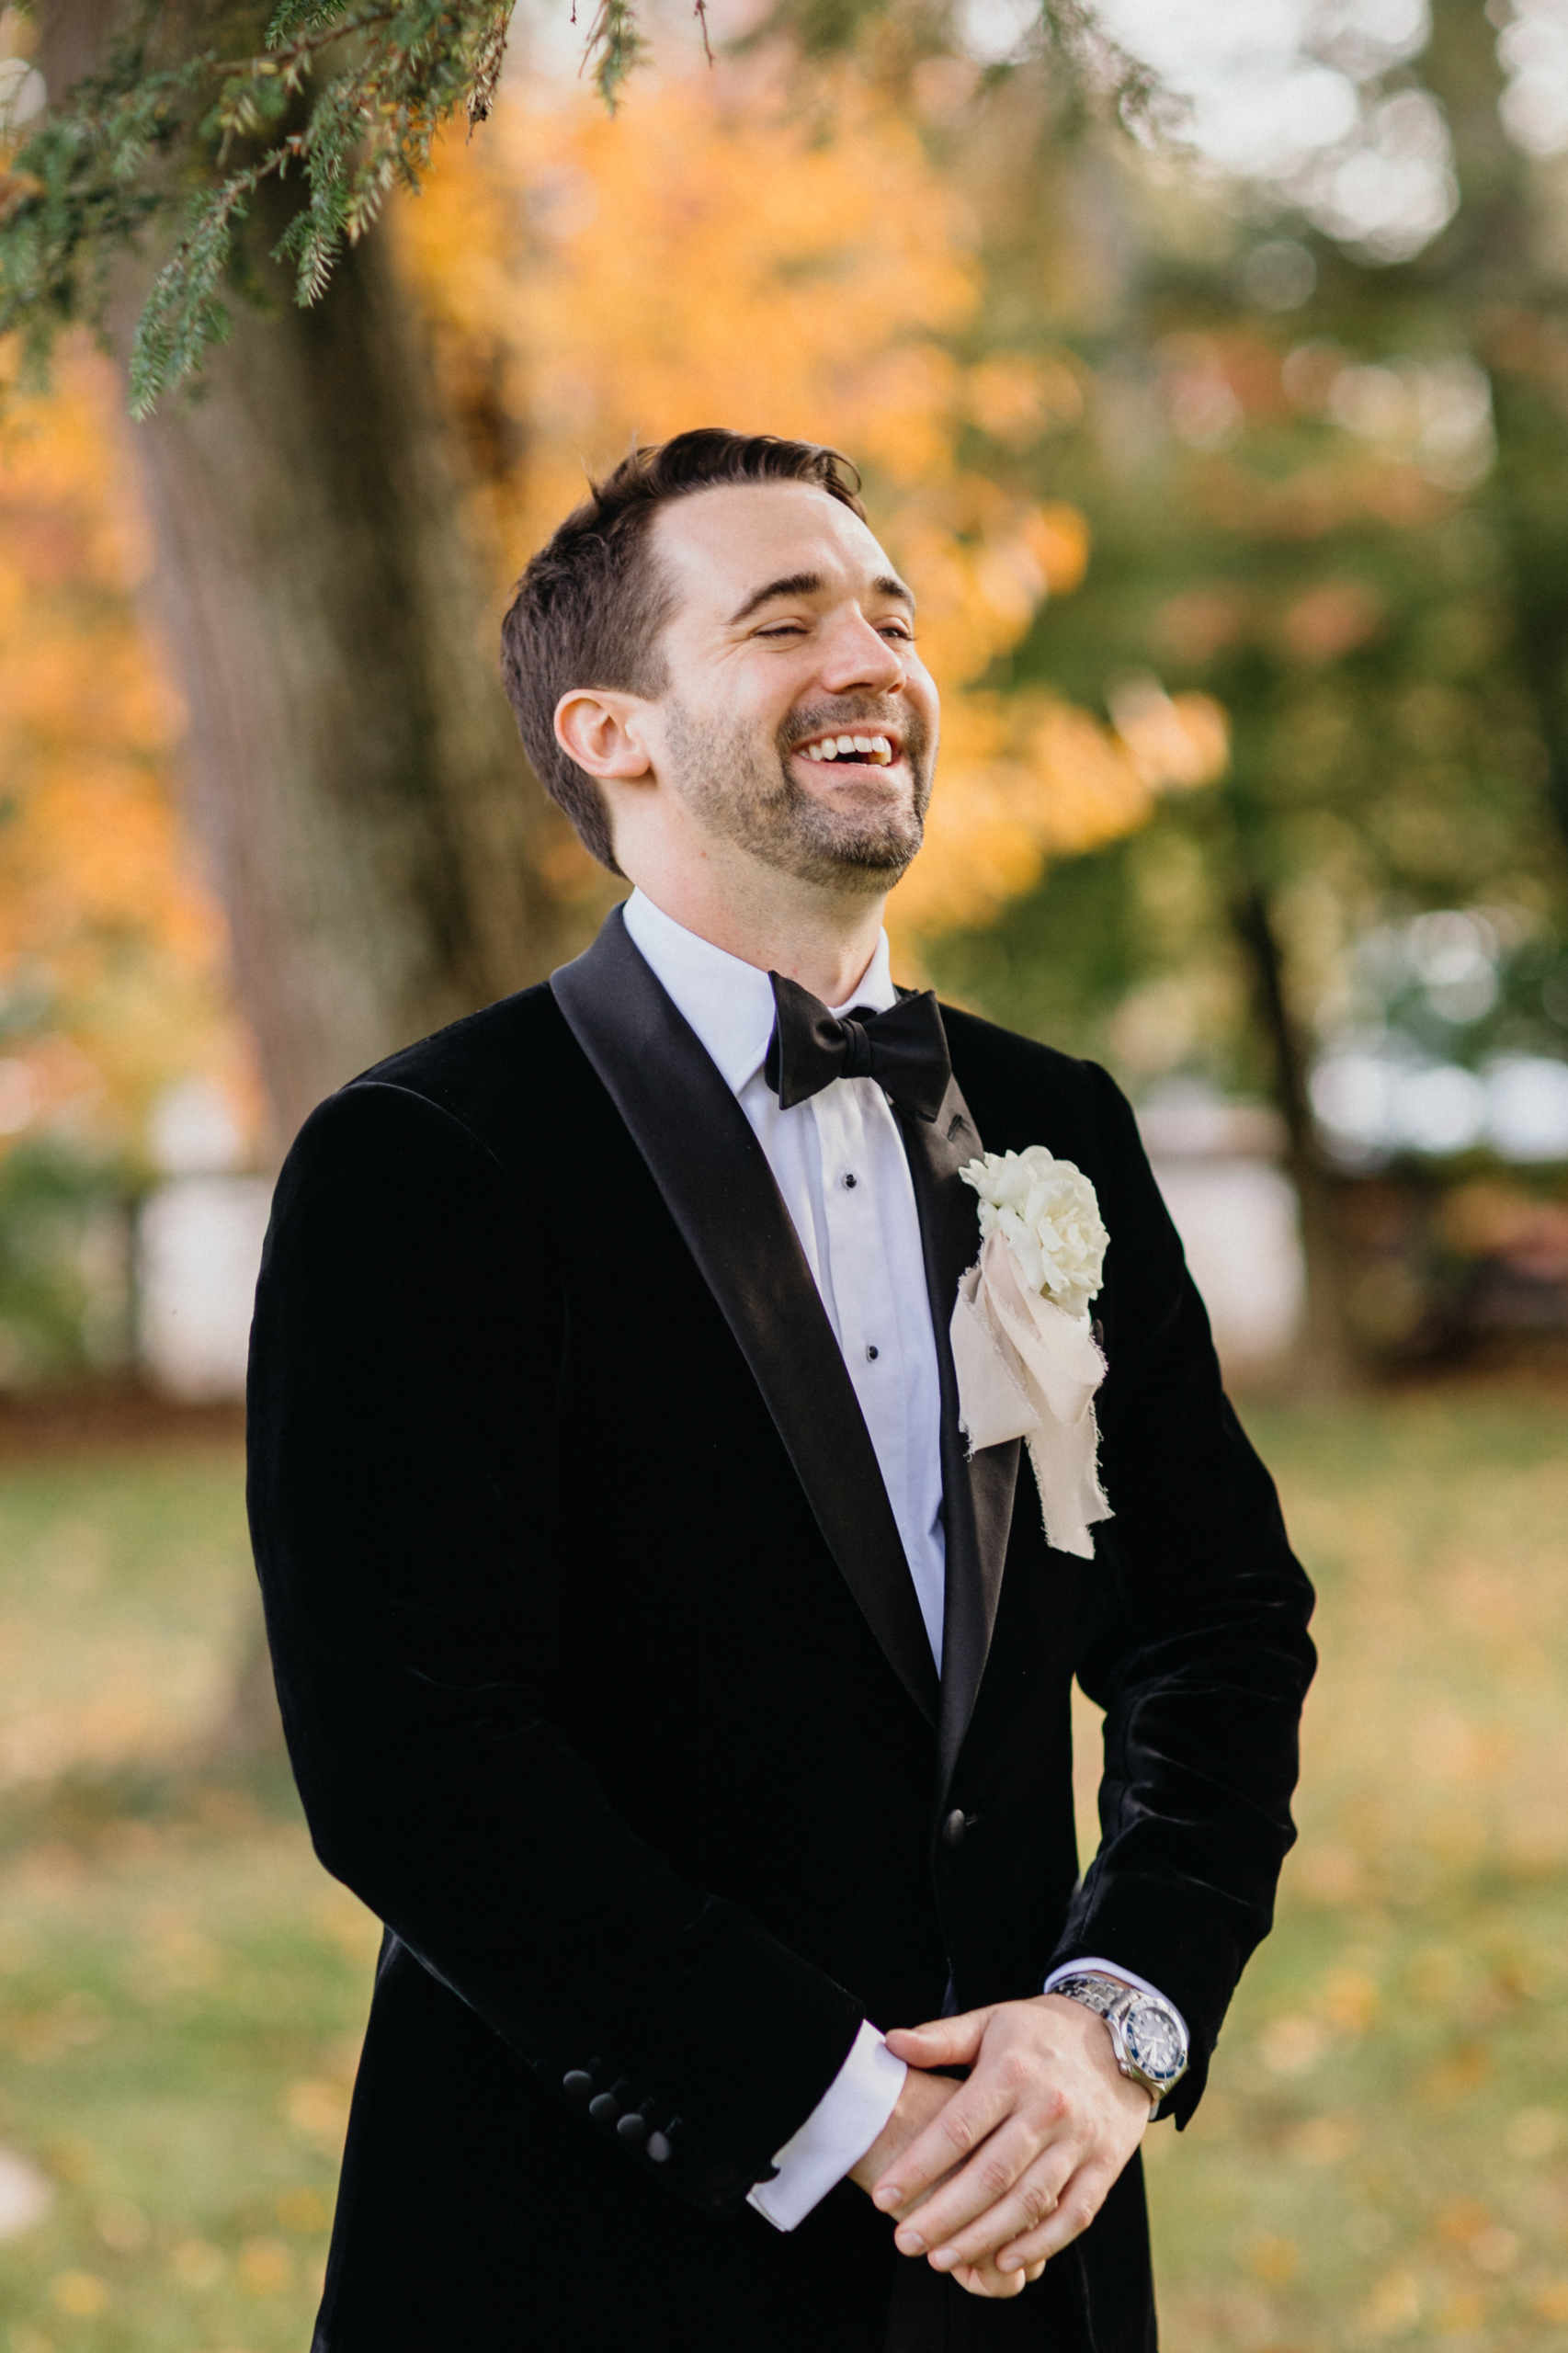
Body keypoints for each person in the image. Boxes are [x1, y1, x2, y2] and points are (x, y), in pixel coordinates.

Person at [247, 427, 1316, 2353]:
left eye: (890, 612)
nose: (872, 656)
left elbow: (1221, 1625)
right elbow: (409, 1748)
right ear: (613, 729)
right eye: (783, 615)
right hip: (586, 2235)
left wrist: (1114, 2020)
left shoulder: (1050, 1126)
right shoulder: (422, 1152)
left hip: (1020, 2230)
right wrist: (844, 2109)